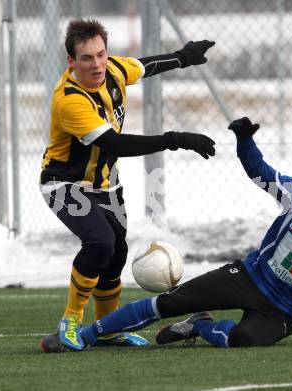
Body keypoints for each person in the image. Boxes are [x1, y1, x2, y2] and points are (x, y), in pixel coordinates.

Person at [69, 116, 292, 351]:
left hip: (281, 311)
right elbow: (260, 172)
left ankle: (201, 325)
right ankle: (87, 334)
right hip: (246, 276)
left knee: (243, 340)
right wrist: (244, 140)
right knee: (165, 304)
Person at [39, 19, 216, 353]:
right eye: (87, 58)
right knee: (100, 243)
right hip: (64, 184)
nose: (96, 64)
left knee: (116, 253)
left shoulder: (113, 70)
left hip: (106, 185)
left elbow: (144, 67)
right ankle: (71, 321)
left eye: (101, 54)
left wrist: (184, 56)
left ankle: (107, 330)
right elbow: (115, 145)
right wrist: (175, 139)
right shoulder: (70, 100)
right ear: (71, 62)